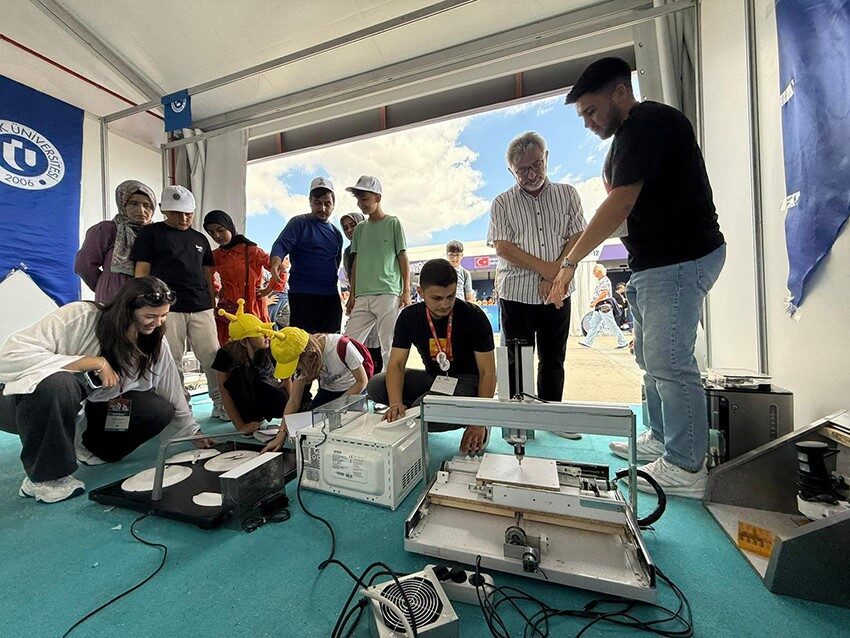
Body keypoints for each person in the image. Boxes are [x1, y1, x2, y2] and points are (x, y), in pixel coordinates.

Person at [548, 57, 726, 498]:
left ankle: (687, 467)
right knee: (649, 358)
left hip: (680, 259)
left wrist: (569, 263)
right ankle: (663, 439)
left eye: (591, 110)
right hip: (654, 264)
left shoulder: (646, 123)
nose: (588, 122)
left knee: (669, 361)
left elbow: (621, 203)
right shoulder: (627, 139)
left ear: (620, 93)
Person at [0, 277, 209, 503]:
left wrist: (190, 430)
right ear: (126, 311)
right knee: (59, 383)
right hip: (22, 405)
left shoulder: (155, 340)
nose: (156, 324)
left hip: (88, 413)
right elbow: (10, 356)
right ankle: (44, 479)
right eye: (149, 316)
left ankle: (93, 450)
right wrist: (92, 362)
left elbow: (171, 388)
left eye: (163, 316)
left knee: (158, 409)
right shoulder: (80, 316)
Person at [487, 132, 586, 423]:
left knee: (553, 358)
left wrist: (558, 272)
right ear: (511, 171)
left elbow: (578, 235)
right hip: (516, 293)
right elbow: (503, 246)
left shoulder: (568, 193)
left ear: (546, 158)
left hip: (559, 292)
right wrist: (546, 269)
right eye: (522, 170)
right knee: (517, 360)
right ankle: (519, 421)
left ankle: (551, 417)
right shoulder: (502, 202)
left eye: (537, 164)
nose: (531, 174)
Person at [366, 258, 496, 455]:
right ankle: (420, 413)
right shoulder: (409, 316)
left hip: (468, 384)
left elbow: (488, 373)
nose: (445, 304)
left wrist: (480, 420)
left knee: (426, 409)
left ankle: (466, 417)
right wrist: (395, 404)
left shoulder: (474, 316)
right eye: (437, 298)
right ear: (420, 293)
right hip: (435, 380)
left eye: (450, 296)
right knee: (376, 384)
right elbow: (397, 364)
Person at [130, 185, 225, 419]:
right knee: (171, 358)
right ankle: (181, 407)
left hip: (201, 305)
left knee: (213, 355)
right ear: (164, 210)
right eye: (177, 213)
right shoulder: (151, 234)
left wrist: (213, 304)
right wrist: (142, 305)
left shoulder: (200, 238)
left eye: (188, 213)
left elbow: (208, 274)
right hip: (167, 309)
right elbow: (142, 272)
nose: (184, 218)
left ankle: (221, 402)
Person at [260, 326, 369, 452]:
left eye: (297, 367)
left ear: (310, 354)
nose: (297, 371)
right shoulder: (303, 360)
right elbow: (294, 400)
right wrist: (282, 432)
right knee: (312, 430)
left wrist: (335, 407)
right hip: (328, 390)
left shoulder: (341, 346)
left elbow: (362, 381)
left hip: (353, 390)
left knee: (345, 430)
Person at [343, 175, 411, 365]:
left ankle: (390, 392)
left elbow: (402, 256)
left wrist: (406, 290)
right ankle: (354, 385)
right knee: (347, 344)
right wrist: (352, 294)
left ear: (377, 198)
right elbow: (355, 261)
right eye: (358, 199)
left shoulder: (393, 223)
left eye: (364, 198)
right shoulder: (360, 229)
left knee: (388, 346)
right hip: (363, 296)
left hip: (388, 293)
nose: (360, 204)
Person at [269, 177, 343, 334]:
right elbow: (281, 244)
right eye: (318, 203)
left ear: (333, 204)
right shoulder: (298, 223)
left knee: (330, 344)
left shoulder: (337, 234)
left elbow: (336, 263)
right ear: (310, 201)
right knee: (303, 345)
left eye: (327, 203)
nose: (322, 208)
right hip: (303, 295)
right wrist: (275, 262)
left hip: (330, 297)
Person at [74, 180, 157, 303]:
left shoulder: (157, 233)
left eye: (147, 205)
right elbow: (84, 265)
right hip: (115, 294)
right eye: (133, 204)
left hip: (150, 296)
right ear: (122, 204)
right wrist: (104, 284)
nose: (141, 210)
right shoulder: (108, 229)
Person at [212, 301, 287, 435]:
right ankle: (250, 418)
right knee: (238, 377)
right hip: (245, 400)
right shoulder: (225, 354)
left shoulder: (269, 347)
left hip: (264, 392)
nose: (266, 334)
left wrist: (289, 421)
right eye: (260, 333)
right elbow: (224, 392)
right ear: (244, 341)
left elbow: (288, 380)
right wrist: (240, 426)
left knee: (287, 392)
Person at [203, 209, 274, 345]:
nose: (217, 236)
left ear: (229, 227)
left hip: (252, 306)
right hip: (229, 309)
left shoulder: (252, 251)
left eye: (220, 230)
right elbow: (206, 276)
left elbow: (279, 269)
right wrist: (216, 292)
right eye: (211, 233)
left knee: (257, 347)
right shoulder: (216, 255)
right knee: (232, 348)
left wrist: (268, 289)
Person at [340, 211, 383, 373]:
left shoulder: (376, 243)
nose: (350, 230)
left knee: (381, 346)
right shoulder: (348, 251)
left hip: (380, 299)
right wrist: (352, 298)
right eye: (346, 228)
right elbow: (351, 278)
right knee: (357, 347)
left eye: (353, 225)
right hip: (360, 301)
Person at [579, 264, 629, 349]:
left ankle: (623, 341)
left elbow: (604, 293)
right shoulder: (602, 281)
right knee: (593, 325)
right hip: (599, 307)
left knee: (611, 324)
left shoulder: (604, 280)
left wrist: (594, 302)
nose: (593, 273)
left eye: (594, 271)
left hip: (604, 306)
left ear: (599, 271)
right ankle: (587, 342)